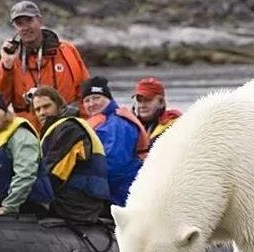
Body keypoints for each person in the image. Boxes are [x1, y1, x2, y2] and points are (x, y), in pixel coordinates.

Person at [0, 0, 90, 131]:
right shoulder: (10, 61)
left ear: (39, 21)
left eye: (29, 20)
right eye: (19, 23)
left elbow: (87, 93)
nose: (25, 27)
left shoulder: (67, 51)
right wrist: (6, 66)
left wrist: (85, 127)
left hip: (69, 130)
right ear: (15, 28)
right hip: (30, 136)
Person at [32, 86, 109, 222]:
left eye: (46, 107)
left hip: (80, 204)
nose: (41, 113)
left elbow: (54, 176)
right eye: (37, 109)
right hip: (73, 198)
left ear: (59, 105)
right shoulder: (55, 130)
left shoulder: (70, 129)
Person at [0, 89, 52, 215]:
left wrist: (8, 207)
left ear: (6, 113)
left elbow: (26, 175)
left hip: (30, 201)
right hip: (1, 197)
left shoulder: (21, 136)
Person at [81, 76, 149, 207]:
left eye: (96, 98)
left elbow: (114, 165)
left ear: (109, 99)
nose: (91, 104)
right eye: (87, 100)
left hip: (121, 195)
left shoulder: (118, 124)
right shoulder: (101, 121)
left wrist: (86, 188)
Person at [132, 77, 182, 146]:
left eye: (148, 100)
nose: (142, 105)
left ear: (161, 102)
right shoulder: (129, 126)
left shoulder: (174, 128)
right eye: (139, 100)